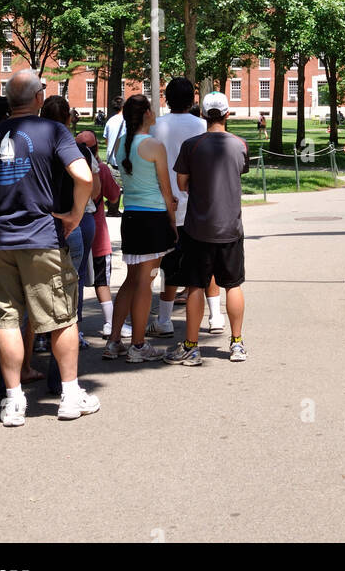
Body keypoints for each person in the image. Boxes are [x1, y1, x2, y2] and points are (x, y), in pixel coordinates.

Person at [0, 67, 100, 426]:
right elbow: (83, 176)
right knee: (62, 318)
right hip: (43, 239)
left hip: (1, 243)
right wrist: (73, 213)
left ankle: (14, 401)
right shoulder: (54, 130)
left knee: (6, 320)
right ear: (38, 98)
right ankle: (69, 395)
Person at [165, 91, 249, 366]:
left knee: (195, 286)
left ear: (202, 114)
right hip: (231, 227)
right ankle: (236, 342)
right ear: (227, 114)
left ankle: (191, 346)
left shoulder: (191, 145)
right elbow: (239, 172)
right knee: (233, 284)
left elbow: (182, 183)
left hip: (198, 226)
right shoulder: (239, 145)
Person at [149, 77, 226, 337]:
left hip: (164, 204)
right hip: (199, 204)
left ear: (166, 99)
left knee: (168, 266)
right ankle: (216, 316)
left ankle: (165, 320)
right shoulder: (202, 125)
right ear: (193, 99)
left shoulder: (155, 127)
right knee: (207, 263)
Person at [103, 94, 177, 364]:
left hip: (131, 217)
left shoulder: (122, 144)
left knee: (132, 280)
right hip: (154, 218)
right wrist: (172, 220)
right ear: (146, 113)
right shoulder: (154, 145)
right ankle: (138, 344)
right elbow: (166, 190)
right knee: (146, 281)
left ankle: (114, 341)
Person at [41, 97, 96, 348]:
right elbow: (93, 189)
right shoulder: (81, 151)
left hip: (43, 221)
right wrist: (76, 212)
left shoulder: (35, 151)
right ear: (67, 118)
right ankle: (75, 332)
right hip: (74, 220)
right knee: (75, 280)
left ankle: (40, 335)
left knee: (39, 282)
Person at [75, 129, 121, 338]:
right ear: (95, 149)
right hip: (98, 234)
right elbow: (113, 197)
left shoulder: (70, 166)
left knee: (75, 280)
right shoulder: (100, 168)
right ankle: (110, 322)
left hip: (74, 228)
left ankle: (75, 326)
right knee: (102, 280)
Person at [104, 96, 125, 168]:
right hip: (123, 159)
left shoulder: (110, 121)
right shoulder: (127, 121)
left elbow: (106, 140)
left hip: (111, 158)